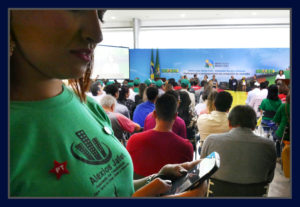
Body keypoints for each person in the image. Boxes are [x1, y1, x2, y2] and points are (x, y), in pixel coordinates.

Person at [10, 9, 206, 197]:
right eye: (74, 7)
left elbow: (117, 189)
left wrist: (159, 178)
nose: (97, 34)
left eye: (100, 14)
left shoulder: (88, 105)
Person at [201, 105, 276, 185]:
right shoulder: (269, 146)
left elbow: (202, 172)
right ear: (254, 126)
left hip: (217, 195)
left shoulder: (211, 140)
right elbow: (269, 178)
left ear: (229, 123)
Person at [127, 93, 194, 179]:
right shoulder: (186, 147)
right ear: (175, 116)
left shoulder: (133, 140)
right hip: (172, 191)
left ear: (154, 114)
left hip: (141, 191)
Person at [273, 92, 290, 160]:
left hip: (283, 133)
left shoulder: (284, 106)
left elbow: (276, 119)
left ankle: (279, 157)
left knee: (276, 138)